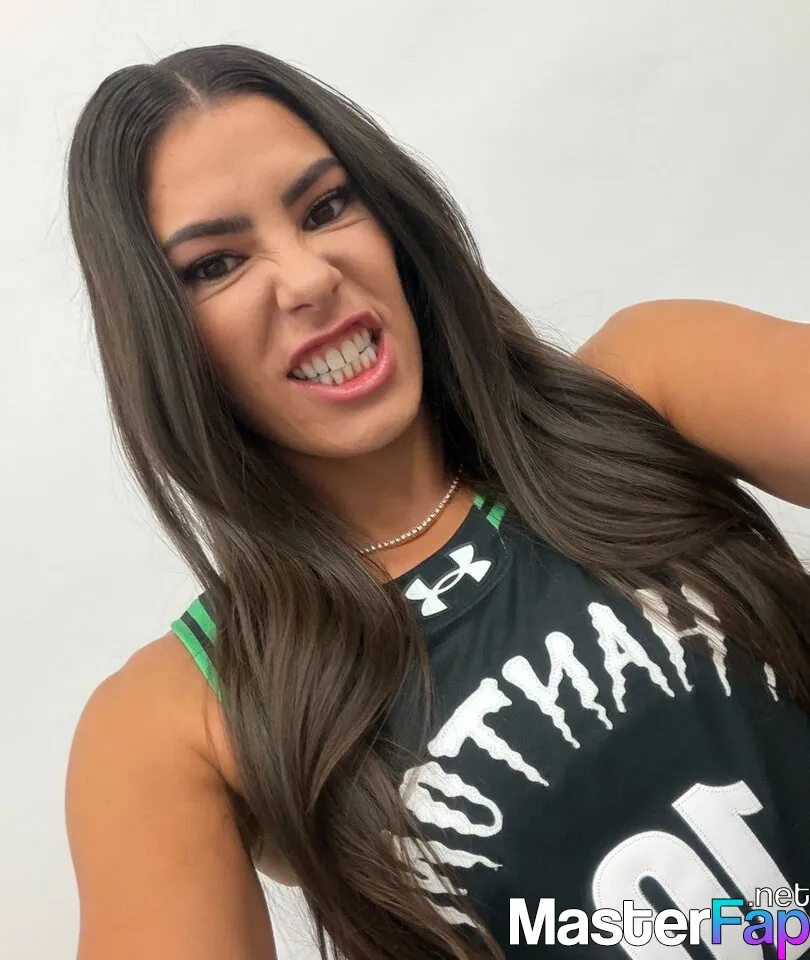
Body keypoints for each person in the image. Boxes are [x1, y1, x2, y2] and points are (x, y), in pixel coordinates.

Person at [64, 43, 810, 960]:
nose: (308, 277)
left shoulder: (649, 382)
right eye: (217, 264)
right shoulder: (179, 717)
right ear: (157, 334)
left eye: (326, 207)